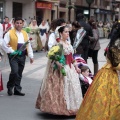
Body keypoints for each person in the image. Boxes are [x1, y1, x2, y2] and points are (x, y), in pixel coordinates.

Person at [75, 22, 120, 120]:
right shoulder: (116, 44)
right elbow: (116, 64)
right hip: (110, 73)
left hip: (107, 72)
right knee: (107, 99)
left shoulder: (114, 42)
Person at [36, 25, 83, 116]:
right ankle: (59, 108)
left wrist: (76, 67)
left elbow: (71, 57)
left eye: (68, 32)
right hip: (61, 68)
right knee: (59, 88)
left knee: (73, 87)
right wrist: (58, 63)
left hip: (70, 68)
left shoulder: (69, 44)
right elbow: (53, 57)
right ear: (61, 33)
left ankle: (73, 107)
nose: (67, 33)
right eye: (65, 32)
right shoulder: (58, 44)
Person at [2, 17, 34, 96]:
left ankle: (17, 89)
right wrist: (11, 51)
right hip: (13, 56)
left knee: (19, 73)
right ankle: (10, 87)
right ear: (14, 23)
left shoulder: (25, 33)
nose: (19, 25)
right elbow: (4, 44)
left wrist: (31, 56)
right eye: (17, 23)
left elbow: (28, 44)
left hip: (22, 56)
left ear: (23, 24)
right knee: (15, 71)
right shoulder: (9, 33)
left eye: (20, 23)